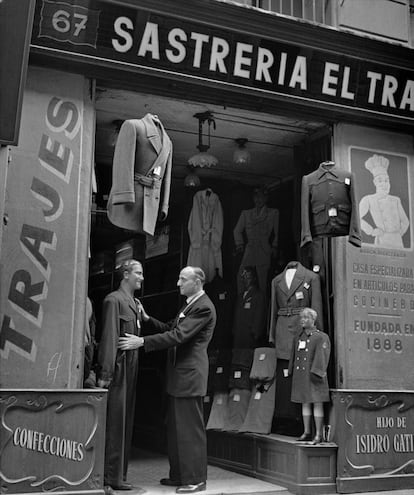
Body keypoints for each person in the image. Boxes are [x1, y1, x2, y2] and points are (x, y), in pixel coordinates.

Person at [118, 266, 216, 494]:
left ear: (198, 281)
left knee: (190, 431)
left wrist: (141, 342)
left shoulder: (203, 307)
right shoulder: (192, 304)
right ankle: (180, 476)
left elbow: (178, 336)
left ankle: (196, 479)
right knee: (176, 430)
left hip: (189, 378)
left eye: (183, 279)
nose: (178, 283)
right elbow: (170, 328)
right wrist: (147, 319)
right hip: (180, 378)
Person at [96, 259, 144, 493]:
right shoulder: (113, 300)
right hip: (118, 367)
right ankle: (110, 476)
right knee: (115, 422)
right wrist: (105, 373)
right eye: (138, 273)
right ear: (125, 274)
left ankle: (119, 475)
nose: (142, 278)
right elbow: (109, 338)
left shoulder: (133, 303)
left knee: (125, 420)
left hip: (131, 366)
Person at [289, 307, 330, 445]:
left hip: (315, 376)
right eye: (302, 318)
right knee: (304, 403)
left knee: (317, 404)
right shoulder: (298, 337)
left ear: (313, 320)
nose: (303, 320)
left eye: (306, 318)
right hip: (301, 376)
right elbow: (293, 356)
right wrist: (290, 370)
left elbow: (322, 358)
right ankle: (306, 432)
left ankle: (318, 435)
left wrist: (317, 373)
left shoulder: (321, 337)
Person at [233, 186, 279, 292]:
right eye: (256, 197)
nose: (258, 200)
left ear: (266, 198)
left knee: (262, 280)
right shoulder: (246, 213)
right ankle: (242, 303)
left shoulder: (273, 213)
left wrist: (275, 246)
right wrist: (239, 244)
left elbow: (277, 232)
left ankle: (262, 305)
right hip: (250, 248)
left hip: (264, 249)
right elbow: (237, 230)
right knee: (241, 276)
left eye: (262, 197)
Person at [359, 154, 409, 248]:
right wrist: (371, 231)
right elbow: (356, 218)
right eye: (380, 181)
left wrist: (397, 235)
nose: (384, 184)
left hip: (397, 241)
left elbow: (405, 221)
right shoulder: (369, 199)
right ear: (375, 182)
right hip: (381, 240)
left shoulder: (396, 200)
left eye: (386, 181)